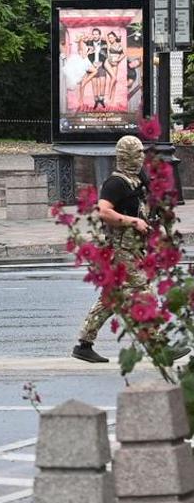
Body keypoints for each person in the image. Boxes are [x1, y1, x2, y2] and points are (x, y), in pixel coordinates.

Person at [72, 135, 152, 364]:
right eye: (137, 154)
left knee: (111, 299)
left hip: (133, 247)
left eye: (141, 153)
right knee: (144, 291)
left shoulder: (137, 179)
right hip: (120, 249)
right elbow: (104, 211)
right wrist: (133, 221)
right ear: (126, 156)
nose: (141, 158)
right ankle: (157, 343)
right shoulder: (116, 183)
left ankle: (84, 344)